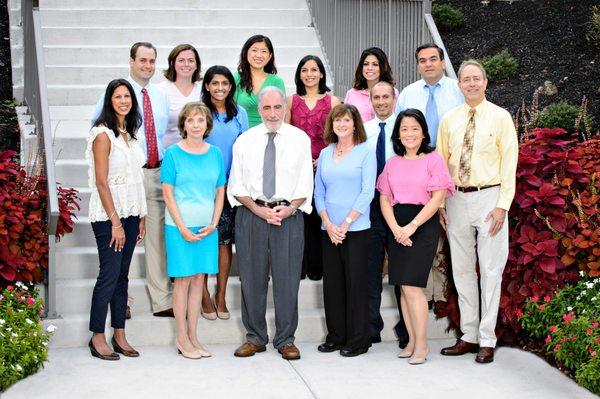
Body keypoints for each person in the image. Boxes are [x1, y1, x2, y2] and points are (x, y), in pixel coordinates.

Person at [437, 60, 518, 363]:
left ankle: (487, 338)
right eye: (465, 79)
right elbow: (441, 162)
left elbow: (509, 163)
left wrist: (502, 205)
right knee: (461, 270)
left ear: (486, 82)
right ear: (458, 85)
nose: (471, 84)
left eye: (476, 79)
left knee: (490, 269)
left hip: (490, 198)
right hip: (457, 199)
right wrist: (441, 203)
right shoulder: (450, 119)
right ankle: (468, 335)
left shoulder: (500, 117)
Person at [228, 86, 313, 360]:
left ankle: (286, 339)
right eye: (267, 108)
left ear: (285, 108)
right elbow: (237, 184)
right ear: (259, 109)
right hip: (251, 214)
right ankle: (255, 337)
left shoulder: (299, 139)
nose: (273, 113)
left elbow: (304, 183)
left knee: (287, 279)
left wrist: (289, 209)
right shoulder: (245, 140)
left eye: (278, 107)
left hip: (288, 216)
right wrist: (259, 210)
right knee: (251, 278)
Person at [91, 42, 173, 319]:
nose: (147, 65)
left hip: (154, 172)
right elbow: (99, 132)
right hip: (126, 179)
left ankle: (161, 300)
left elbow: (161, 135)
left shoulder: (160, 96)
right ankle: (120, 302)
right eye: (142, 60)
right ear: (131, 61)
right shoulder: (117, 92)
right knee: (119, 251)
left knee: (155, 239)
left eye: (152, 61)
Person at [377, 109, 455, 364]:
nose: (409, 134)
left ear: (423, 132)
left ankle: (422, 345)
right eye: (404, 129)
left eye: (414, 128)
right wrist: (395, 228)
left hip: (422, 225)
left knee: (413, 287)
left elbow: (438, 198)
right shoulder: (393, 162)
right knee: (401, 287)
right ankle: (411, 340)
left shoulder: (433, 159)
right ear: (397, 135)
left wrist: (411, 226)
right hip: (396, 226)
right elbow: (385, 198)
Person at [394, 43, 464, 317]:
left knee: (449, 241)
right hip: (416, 177)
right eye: (422, 60)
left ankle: (446, 299)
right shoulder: (409, 94)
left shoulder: (458, 91)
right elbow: (401, 136)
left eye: (433, 59)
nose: (428, 64)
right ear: (418, 64)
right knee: (424, 238)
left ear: (443, 62)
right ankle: (426, 296)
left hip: (451, 174)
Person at [87, 79, 146, 360]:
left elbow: (137, 179)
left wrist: (141, 216)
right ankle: (97, 336)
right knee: (108, 275)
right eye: (117, 96)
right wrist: (116, 223)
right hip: (109, 217)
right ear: (109, 101)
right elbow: (101, 182)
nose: (123, 101)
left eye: (127, 96)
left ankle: (119, 333)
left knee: (123, 276)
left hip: (132, 214)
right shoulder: (102, 135)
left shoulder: (130, 134)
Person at [161, 102, 226, 359]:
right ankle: (181, 337)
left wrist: (215, 222)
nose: (196, 125)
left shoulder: (216, 154)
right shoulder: (173, 154)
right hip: (179, 227)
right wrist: (182, 228)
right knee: (183, 280)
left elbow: (220, 190)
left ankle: (194, 336)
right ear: (184, 125)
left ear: (206, 124)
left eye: (200, 120)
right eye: (191, 120)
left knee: (200, 279)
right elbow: (167, 193)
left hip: (207, 227)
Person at [314, 104, 376, 357]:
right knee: (334, 285)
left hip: (356, 229)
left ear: (355, 124)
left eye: (346, 120)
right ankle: (336, 336)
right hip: (329, 230)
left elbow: (367, 191)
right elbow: (319, 192)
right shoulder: (326, 153)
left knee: (356, 284)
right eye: (337, 120)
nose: (341, 124)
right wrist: (328, 224)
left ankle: (359, 339)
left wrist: (346, 223)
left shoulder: (365, 152)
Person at [284, 55, 341, 281]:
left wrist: (323, 158)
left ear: (321, 73)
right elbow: (286, 135)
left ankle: (318, 267)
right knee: (299, 217)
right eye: (305, 70)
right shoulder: (291, 100)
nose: (309, 74)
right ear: (299, 74)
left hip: (324, 166)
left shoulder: (333, 101)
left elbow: (339, 135)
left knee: (320, 215)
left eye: (314, 70)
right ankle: (299, 266)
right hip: (298, 168)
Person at [199, 65, 249, 320]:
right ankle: (204, 295)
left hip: (231, 186)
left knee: (225, 242)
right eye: (215, 83)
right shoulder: (200, 113)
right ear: (207, 85)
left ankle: (220, 294)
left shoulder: (239, 113)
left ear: (231, 86)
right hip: (204, 187)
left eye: (225, 83)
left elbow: (245, 151)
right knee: (206, 238)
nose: (220, 88)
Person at [363, 81, 407, 346]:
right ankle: (371, 328)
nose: (381, 102)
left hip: (399, 205)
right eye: (376, 97)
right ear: (371, 100)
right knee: (371, 269)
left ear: (394, 98)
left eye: (385, 97)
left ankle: (406, 330)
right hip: (371, 207)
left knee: (402, 270)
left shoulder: (404, 129)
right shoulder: (363, 131)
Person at [234, 35, 286, 128]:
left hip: (268, 134)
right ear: (246, 53)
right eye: (254, 50)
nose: (259, 55)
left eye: (264, 51)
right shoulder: (235, 78)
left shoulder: (277, 81)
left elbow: (280, 113)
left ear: (270, 56)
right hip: (240, 134)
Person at [156, 44, 202, 149]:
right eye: (181, 60)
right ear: (172, 63)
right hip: (167, 155)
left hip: (196, 153)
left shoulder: (203, 92)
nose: (186, 64)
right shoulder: (160, 90)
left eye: (191, 60)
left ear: (196, 65)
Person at [344, 47, 397, 123]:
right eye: (366, 64)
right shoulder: (351, 93)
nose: (370, 68)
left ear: (382, 67)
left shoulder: (392, 92)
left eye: (375, 64)